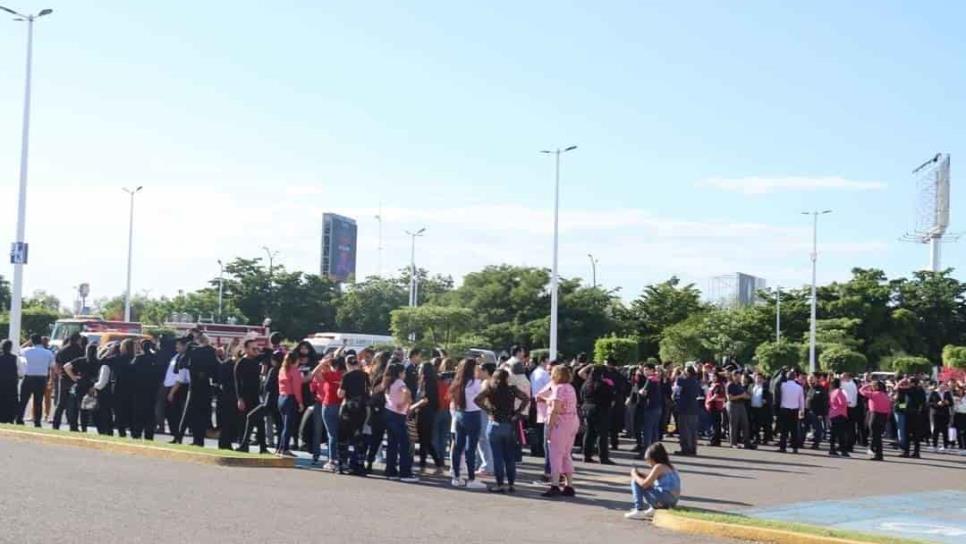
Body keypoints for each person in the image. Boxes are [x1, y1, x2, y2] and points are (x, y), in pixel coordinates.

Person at [474, 368, 530, 492]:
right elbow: (526, 398)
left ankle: (500, 484)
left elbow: (477, 400)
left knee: (497, 457)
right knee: (509, 456)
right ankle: (511, 484)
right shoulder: (512, 389)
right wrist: (517, 412)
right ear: (507, 378)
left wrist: (488, 410)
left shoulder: (490, 389)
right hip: (509, 424)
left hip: (494, 423)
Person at [539, 365, 580, 498]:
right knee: (566, 454)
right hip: (572, 420)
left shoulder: (559, 388)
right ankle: (569, 485)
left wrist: (549, 428)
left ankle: (555, 484)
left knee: (555, 454)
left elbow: (556, 409)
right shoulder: (570, 387)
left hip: (560, 423)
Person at [449, 358, 486, 490]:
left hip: (460, 414)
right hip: (473, 415)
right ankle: (471, 478)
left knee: (458, 446)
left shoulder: (457, 383)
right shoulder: (476, 383)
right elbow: (481, 399)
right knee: (471, 448)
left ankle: (456, 476)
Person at [178, 334, 219, 447]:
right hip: (206, 386)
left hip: (194, 385)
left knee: (188, 413)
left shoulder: (193, 351)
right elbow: (216, 369)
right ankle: (199, 440)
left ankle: (179, 437)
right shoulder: (211, 352)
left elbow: (181, 365)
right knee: (202, 415)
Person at [625, 443, 681, 520]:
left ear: (654, 458)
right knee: (651, 484)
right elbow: (652, 479)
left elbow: (644, 484)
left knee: (635, 481)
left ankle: (639, 509)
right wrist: (641, 475)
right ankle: (654, 508)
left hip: (664, 499)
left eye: (648, 460)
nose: (647, 463)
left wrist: (634, 474)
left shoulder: (658, 467)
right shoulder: (670, 467)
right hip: (672, 501)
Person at [382, 363, 418, 482]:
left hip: (388, 412)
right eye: (403, 372)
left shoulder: (388, 382)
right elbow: (407, 392)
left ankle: (390, 470)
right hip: (398, 415)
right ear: (399, 373)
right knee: (404, 444)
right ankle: (404, 472)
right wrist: (404, 403)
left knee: (392, 444)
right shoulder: (399, 382)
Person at [234, 341, 272, 454]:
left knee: (260, 422)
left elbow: (269, 353)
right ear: (245, 349)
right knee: (244, 421)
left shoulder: (256, 360)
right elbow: (237, 382)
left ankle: (263, 448)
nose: (256, 351)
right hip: (245, 396)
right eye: (253, 349)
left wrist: (260, 349)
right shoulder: (241, 363)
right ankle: (243, 444)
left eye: (257, 349)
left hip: (255, 395)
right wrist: (239, 398)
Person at [310, 354, 345, 469]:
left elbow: (314, 374)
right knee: (339, 434)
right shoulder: (345, 376)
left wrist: (322, 363)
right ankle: (340, 458)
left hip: (328, 405)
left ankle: (332, 460)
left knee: (331, 434)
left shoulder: (330, 375)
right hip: (341, 407)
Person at [410, 361, 444, 473]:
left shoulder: (428, 382)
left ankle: (423, 465)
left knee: (424, 441)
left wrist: (414, 407)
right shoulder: (426, 381)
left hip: (425, 413)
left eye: (420, 368)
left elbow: (425, 399)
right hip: (425, 412)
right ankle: (438, 464)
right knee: (426, 441)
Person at [339, 353, 369, 476]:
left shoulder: (346, 376)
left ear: (347, 364)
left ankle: (343, 464)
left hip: (348, 409)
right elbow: (368, 391)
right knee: (358, 437)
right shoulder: (365, 376)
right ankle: (358, 464)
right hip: (361, 409)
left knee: (344, 437)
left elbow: (341, 394)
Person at [580, 364, 615, 464]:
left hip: (587, 408)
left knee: (589, 432)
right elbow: (610, 399)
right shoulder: (604, 385)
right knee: (602, 434)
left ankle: (586, 455)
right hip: (600, 409)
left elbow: (581, 396)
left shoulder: (586, 384)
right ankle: (603, 457)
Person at [18, 334, 54, 427]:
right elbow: (52, 367)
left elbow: (18, 349)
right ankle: (37, 421)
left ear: (32, 341)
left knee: (23, 400)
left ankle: (19, 418)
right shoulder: (48, 353)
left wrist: (28, 343)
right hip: (41, 379)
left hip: (28, 377)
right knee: (38, 401)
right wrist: (51, 380)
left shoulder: (26, 351)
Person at [130, 339, 163, 440]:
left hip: (139, 389)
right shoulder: (156, 358)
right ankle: (149, 434)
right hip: (152, 390)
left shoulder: (138, 358)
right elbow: (160, 374)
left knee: (138, 412)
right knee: (150, 413)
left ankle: (137, 433)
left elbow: (131, 372)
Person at [52, 333, 85, 430]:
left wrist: (60, 374)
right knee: (73, 404)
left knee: (61, 403)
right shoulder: (80, 350)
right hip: (75, 378)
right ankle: (73, 426)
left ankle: (56, 423)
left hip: (63, 378)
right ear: (78, 340)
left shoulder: (61, 350)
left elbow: (57, 366)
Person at [63, 344, 98, 432]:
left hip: (80, 385)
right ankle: (84, 427)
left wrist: (73, 377)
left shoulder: (81, 360)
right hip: (90, 386)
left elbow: (66, 366)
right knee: (85, 409)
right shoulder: (98, 362)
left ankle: (73, 426)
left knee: (75, 407)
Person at [106, 339, 137, 437]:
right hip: (132, 388)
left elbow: (102, 360)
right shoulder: (135, 359)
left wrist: (108, 350)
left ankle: (121, 432)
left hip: (119, 387)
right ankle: (134, 432)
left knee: (119, 412)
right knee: (131, 412)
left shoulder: (117, 358)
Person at [277, 350, 305, 456]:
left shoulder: (282, 370)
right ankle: (285, 448)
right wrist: (300, 403)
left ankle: (281, 447)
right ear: (296, 361)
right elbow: (297, 389)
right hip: (290, 398)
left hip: (281, 397)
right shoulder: (295, 371)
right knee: (288, 426)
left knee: (284, 425)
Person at [215, 344, 240, 450]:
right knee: (227, 422)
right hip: (228, 396)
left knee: (230, 422)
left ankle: (226, 442)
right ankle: (225, 443)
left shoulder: (228, 364)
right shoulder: (227, 365)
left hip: (229, 395)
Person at [165, 337, 190, 441]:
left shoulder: (185, 358)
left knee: (177, 414)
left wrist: (172, 392)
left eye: (179, 345)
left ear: (185, 346)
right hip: (171, 386)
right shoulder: (177, 356)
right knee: (171, 413)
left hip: (178, 388)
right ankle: (175, 435)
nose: (176, 347)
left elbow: (181, 378)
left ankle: (177, 436)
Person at [859, 380, 891, 461]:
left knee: (874, 435)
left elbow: (861, 391)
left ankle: (874, 449)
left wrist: (867, 384)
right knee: (878, 436)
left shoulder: (874, 394)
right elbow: (889, 408)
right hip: (883, 416)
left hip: (875, 415)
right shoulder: (885, 395)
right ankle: (879, 453)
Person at [673, 365, 701, 456]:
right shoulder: (696, 382)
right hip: (694, 408)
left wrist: (679, 374)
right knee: (693, 430)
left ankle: (686, 448)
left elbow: (677, 381)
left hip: (685, 408)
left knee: (685, 430)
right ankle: (693, 448)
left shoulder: (685, 381)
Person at [529, 354, 551, 457]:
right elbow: (550, 387)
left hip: (534, 400)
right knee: (542, 427)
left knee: (535, 427)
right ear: (543, 361)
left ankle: (535, 449)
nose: (548, 364)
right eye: (547, 361)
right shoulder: (544, 374)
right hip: (543, 401)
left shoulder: (534, 373)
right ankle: (541, 449)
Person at [778, 370, 805, 454]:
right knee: (794, 430)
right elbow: (801, 400)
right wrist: (802, 410)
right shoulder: (799, 387)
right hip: (794, 410)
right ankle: (795, 447)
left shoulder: (783, 386)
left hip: (784, 409)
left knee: (784, 430)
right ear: (795, 377)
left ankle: (783, 447)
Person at [726, 371, 753, 449]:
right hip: (733, 405)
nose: (738, 378)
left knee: (745, 424)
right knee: (734, 424)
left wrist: (746, 396)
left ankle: (747, 443)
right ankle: (733, 443)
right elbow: (729, 398)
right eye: (736, 376)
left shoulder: (739, 385)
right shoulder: (730, 385)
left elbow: (747, 396)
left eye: (739, 376)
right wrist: (741, 396)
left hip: (741, 405)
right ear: (733, 376)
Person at [902, 377, 927, 458]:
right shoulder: (921, 390)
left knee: (907, 434)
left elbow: (899, 389)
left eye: (909, 382)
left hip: (910, 413)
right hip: (918, 414)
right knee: (916, 435)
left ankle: (907, 451)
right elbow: (923, 402)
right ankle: (916, 452)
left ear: (913, 383)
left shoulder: (910, 390)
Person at [928, 382, 954, 451]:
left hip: (945, 413)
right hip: (936, 413)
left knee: (945, 430)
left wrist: (948, 402)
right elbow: (929, 403)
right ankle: (934, 445)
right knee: (936, 429)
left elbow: (951, 403)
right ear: (938, 386)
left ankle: (945, 446)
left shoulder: (947, 393)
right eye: (941, 386)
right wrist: (937, 404)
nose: (943, 387)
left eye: (944, 386)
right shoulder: (933, 393)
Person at [805, 374, 828, 450]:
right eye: (808, 380)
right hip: (808, 411)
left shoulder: (821, 389)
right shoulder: (809, 389)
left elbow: (824, 402)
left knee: (817, 429)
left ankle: (816, 443)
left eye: (811, 379)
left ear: (815, 380)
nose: (810, 381)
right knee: (805, 427)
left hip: (817, 412)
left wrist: (822, 413)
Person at [827, 378, 850, 457]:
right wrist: (847, 402)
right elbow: (842, 403)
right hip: (840, 414)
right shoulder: (839, 392)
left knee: (833, 433)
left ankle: (832, 448)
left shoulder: (831, 392)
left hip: (833, 413)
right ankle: (843, 450)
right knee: (841, 434)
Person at [749, 372, 773, 445]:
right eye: (757, 378)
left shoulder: (765, 387)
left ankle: (765, 439)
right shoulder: (751, 386)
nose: (758, 380)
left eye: (760, 378)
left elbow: (770, 397)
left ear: (763, 379)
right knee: (754, 425)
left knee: (764, 424)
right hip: (753, 408)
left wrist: (766, 400)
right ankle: (756, 438)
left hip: (762, 408)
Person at [0, 340, 21, 423]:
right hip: (11, 383)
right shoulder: (16, 358)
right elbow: (21, 372)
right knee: (11, 401)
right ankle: (11, 418)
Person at [704, 373, 726, 447]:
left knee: (714, 425)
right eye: (712, 376)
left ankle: (714, 440)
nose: (712, 378)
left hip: (714, 406)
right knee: (716, 424)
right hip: (715, 407)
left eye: (714, 376)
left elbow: (716, 395)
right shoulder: (714, 385)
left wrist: (708, 400)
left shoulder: (717, 385)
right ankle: (717, 440)